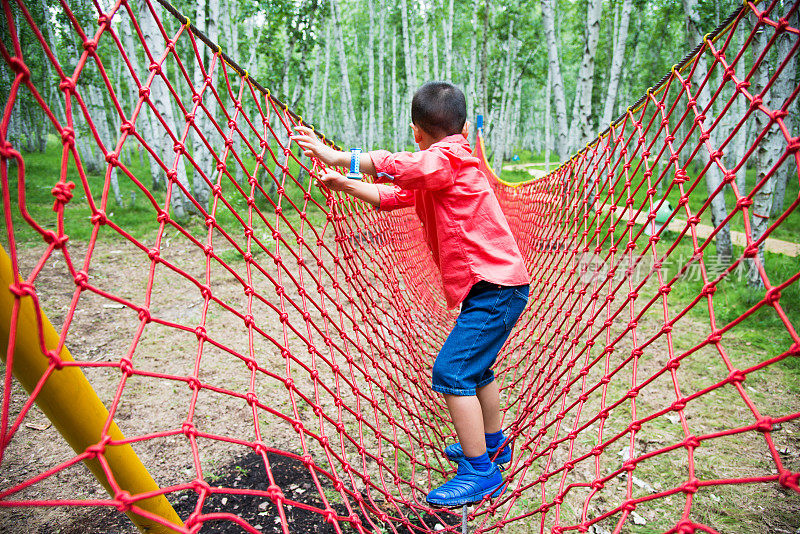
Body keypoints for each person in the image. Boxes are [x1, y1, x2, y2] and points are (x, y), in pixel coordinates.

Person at [292, 81, 529, 508]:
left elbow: (407, 169)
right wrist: (346, 183)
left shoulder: (449, 158)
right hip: (497, 288)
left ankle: (481, 472)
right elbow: (394, 194)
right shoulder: (443, 167)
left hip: (495, 289)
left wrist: (341, 157)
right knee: (478, 369)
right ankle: (493, 446)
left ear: (416, 131)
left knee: (452, 372)